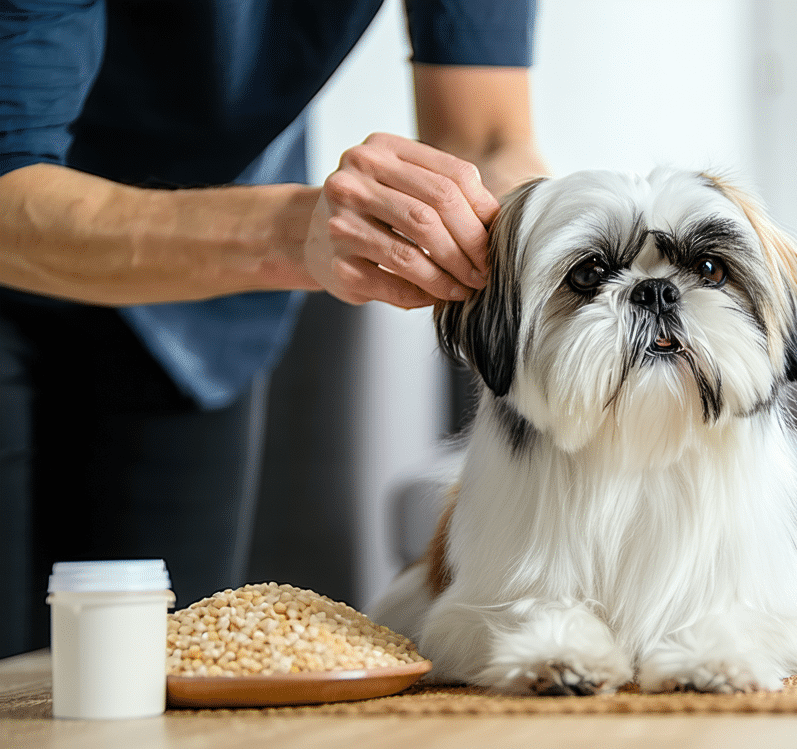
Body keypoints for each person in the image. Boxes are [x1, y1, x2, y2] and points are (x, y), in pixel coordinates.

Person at [0, 0, 549, 658]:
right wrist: (292, 232)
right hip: (34, 253)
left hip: (197, 320)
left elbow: (486, 140)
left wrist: (549, 242)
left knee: (158, 675)